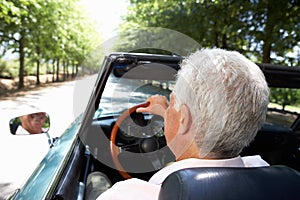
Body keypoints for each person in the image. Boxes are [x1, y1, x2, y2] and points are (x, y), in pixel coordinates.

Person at [95, 48, 270, 200]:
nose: (169, 108)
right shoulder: (268, 175)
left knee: (95, 179)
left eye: (172, 104)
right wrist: (169, 113)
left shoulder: (126, 194)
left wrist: (174, 115)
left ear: (184, 119)